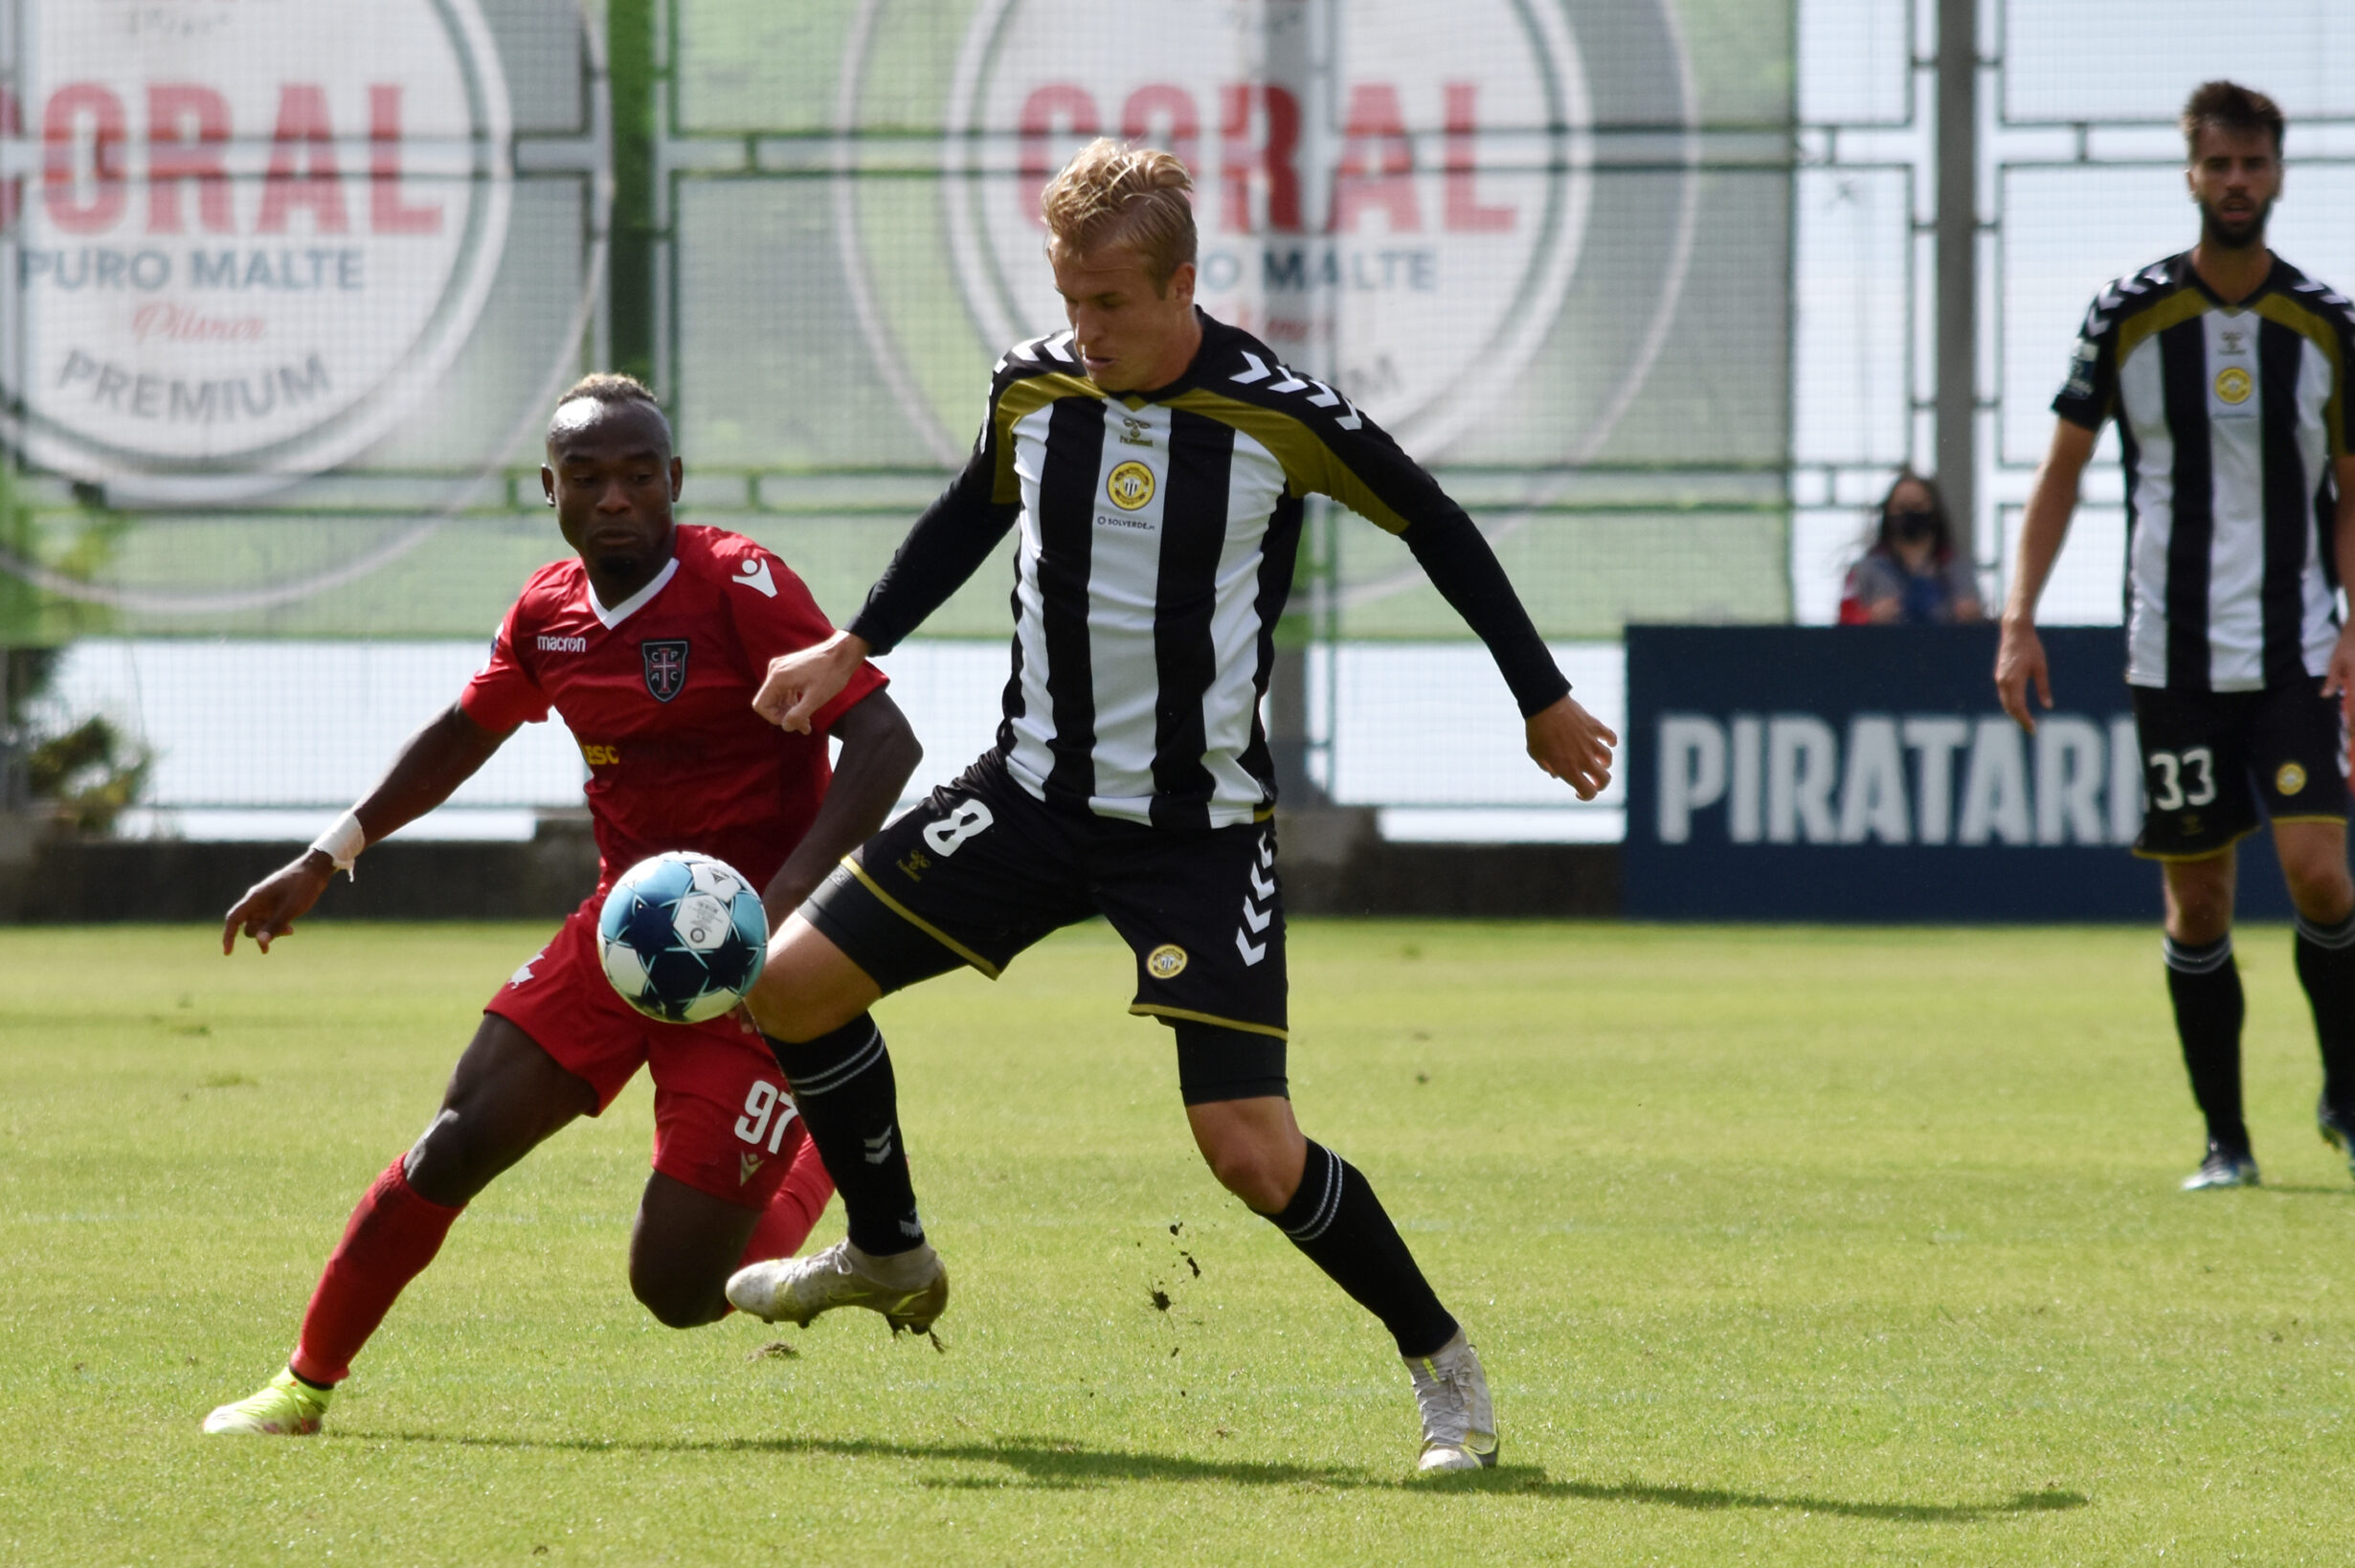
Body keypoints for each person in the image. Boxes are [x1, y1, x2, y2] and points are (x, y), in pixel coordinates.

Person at [717, 139, 1618, 1474]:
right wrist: (856, 644)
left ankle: (1444, 1364)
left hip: (1194, 834)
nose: (1086, 332)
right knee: (786, 987)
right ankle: (891, 1246)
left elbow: (1435, 522)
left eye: (1114, 307)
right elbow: (973, 510)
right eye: (1071, 300)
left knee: (1248, 1150)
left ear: (1184, 284)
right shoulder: (1035, 387)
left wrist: (1538, 696)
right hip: (1026, 797)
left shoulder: (1279, 414)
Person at [201, 374, 922, 1434]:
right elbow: (460, 735)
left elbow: (884, 742)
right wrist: (328, 852)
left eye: (639, 474)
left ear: (674, 481)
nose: (616, 496)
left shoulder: (740, 583)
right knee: (453, 1140)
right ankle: (302, 1387)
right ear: (551, 489)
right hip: (620, 934)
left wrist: (776, 908)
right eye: (588, 476)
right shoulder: (549, 613)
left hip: (757, 967)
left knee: (678, 1294)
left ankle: (817, 1151)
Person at [1995, 81, 2355, 1193]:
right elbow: (2062, 471)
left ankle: (2347, 1096)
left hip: (2293, 650)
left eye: (2252, 165)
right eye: (2217, 165)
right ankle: (2224, 1139)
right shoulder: (2124, 315)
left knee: (2319, 872)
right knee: (2199, 899)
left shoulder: (2324, 323)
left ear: (2277, 173)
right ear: (2190, 173)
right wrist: (2019, 615)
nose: (2236, 183)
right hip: (2168, 655)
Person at [1837, 472, 1983, 624]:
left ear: (1934, 512)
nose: (1910, 513)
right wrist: (1868, 616)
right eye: (1901, 507)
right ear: (1888, 513)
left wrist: (1972, 616)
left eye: (1918, 506)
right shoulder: (1865, 569)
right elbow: (1844, 620)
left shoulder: (1958, 567)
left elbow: (1980, 619)